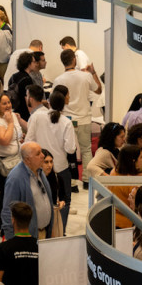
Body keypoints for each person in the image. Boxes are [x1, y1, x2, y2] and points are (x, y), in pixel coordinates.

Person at [25, 91, 76, 229]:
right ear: (64, 104)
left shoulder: (37, 117)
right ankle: (60, 230)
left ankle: (41, 229)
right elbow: (71, 148)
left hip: (39, 167)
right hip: (60, 166)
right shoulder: (66, 122)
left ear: (48, 102)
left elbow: (28, 140)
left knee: (39, 199)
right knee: (64, 201)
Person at [54, 48, 102, 187]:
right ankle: (87, 181)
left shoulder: (58, 80)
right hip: (84, 118)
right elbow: (98, 89)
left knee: (68, 150)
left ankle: (72, 182)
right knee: (86, 149)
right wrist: (92, 72)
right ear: (74, 60)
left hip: (67, 119)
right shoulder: (86, 76)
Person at [0, 91, 25, 233]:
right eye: (4, 103)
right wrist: (10, 122)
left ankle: (12, 220)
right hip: (1, 162)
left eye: (9, 102)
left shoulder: (13, 115)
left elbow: (18, 134)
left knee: (12, 191)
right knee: (6, 191)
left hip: (16, 159)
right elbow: (4, 140)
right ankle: (3, 223)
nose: (8, 105)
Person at [1, 143, 54, 239]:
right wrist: (11, 241)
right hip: (28, 237)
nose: (43, 156)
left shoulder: (40, 172)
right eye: (38, 154)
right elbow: (7, 211)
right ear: (28, 159)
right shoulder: (16, 178)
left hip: (44, 232)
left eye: (41, 152)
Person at [109, 145, 142, 229]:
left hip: (111, 217)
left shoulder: (115, 171)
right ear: (133, 161)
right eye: (141, 157)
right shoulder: (131, 183)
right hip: (126, 223)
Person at [7, 51, 39, 121]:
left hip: (15, 110)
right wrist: (32, 115)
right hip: (24, 113)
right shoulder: (27, 79)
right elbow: (27, 99)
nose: (35, 64)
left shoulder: (14, 76)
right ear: (28, 64)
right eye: (33, 62)